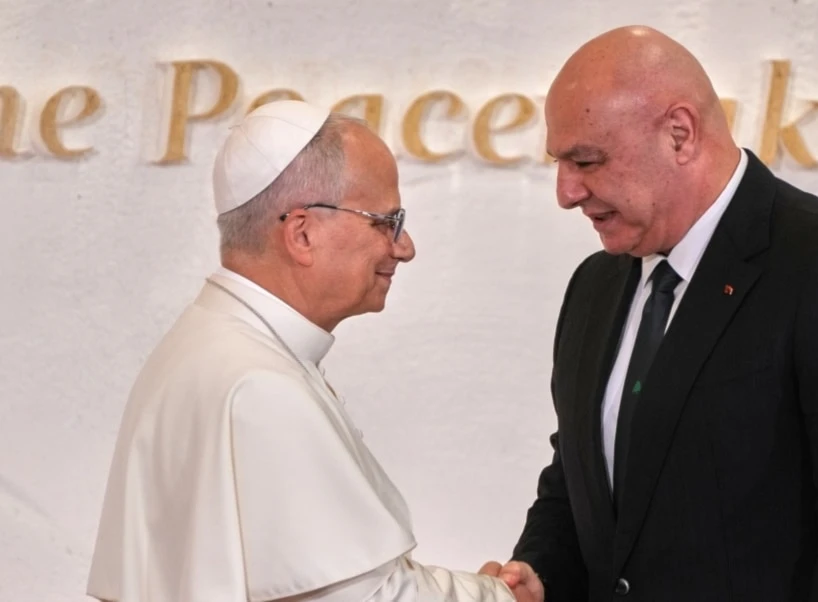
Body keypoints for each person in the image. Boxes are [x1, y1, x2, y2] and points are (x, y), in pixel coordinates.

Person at [494, 25, 818, 602]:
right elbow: (576, 482)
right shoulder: (595, 284)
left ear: (680, 133)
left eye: (587, 160)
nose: (566, 192)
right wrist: (539, 571)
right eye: (560, 161)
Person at [86, 100, 542, 602]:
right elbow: (359, 597)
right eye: (385, 221)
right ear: (302, 233)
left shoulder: (206, 345)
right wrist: (500, 597)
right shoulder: (258, 384)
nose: (404, 246)